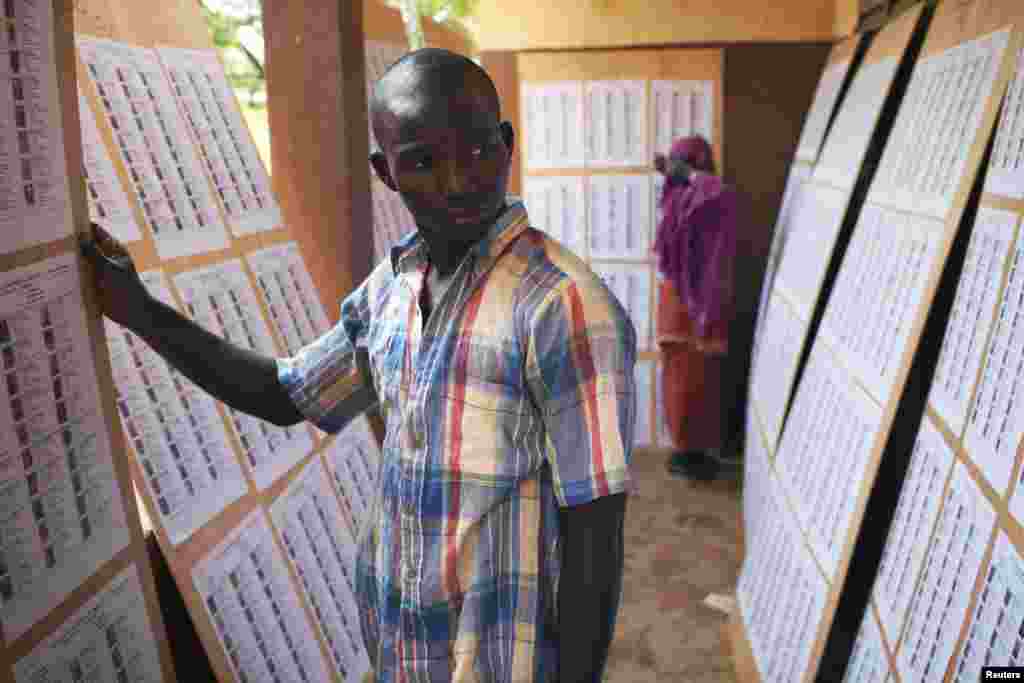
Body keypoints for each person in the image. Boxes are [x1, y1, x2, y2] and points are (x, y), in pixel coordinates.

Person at [82, 48, 636, 683]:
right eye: (423, 161)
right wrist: (141, 310)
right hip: (401, 656)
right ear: (386, 172)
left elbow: (597, 536)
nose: (456, 181)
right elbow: (285, 394)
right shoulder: (392, 291)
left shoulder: (563, 307)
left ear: (507, 144)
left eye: (478, 149)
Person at [652, 135, 740, 482]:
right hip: (682, 303)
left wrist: (683, 173)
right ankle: (685, 451)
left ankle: (698, 451)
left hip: (701, 301)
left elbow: (717, 192)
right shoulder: (679, 198)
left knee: (703, 380)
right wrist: (682, 176)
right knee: (680, 378)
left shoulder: (708, 194)